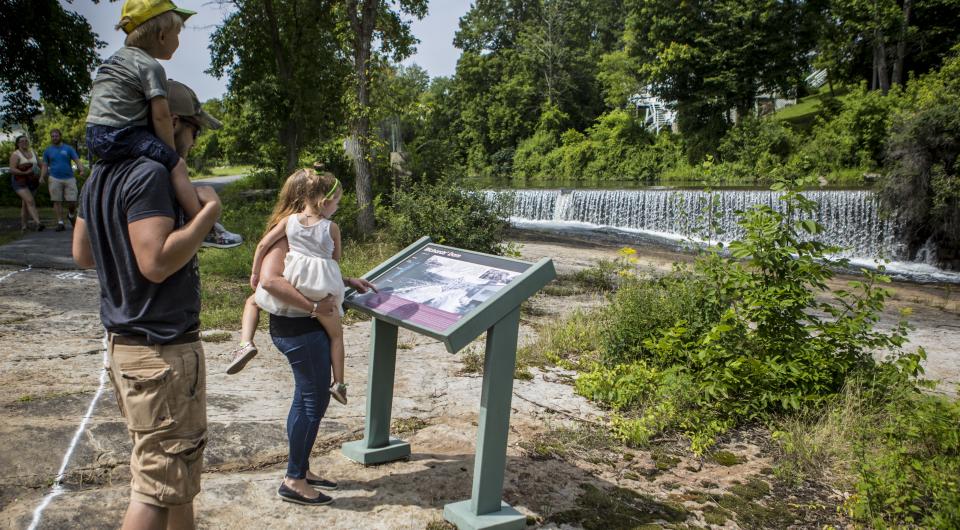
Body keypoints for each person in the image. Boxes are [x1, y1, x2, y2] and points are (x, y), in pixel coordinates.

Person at [72, 79, 221, 530]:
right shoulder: (151, 174)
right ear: (173, 123)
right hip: (162, 351)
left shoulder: (102, 172)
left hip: (126, 346)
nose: (194, 141)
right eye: (195, 128)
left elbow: (82, 253)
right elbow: (156, 262)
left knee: (175, 472)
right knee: (156, 488)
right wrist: (206, 216)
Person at [84, 0, 241, 248]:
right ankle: (206, 227)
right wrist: (169, 156)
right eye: (177, 34)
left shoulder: (112, 61)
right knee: (177, 166)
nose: (178, 41)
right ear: (161, 35)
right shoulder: (150, 66)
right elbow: (160, 115)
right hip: (123, 133)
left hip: (94, 134)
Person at [257, 225, 375, 505]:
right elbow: (271, 281)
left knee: (305, 398)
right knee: (312, 400)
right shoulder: (284, 237)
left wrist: (343, 281)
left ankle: (301, 469)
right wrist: (313, 307)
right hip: (299, 328)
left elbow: (306, 275)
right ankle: (294, 481)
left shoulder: (300, 235)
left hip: (307, 326)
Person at [226, 168, 353, 407]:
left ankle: (245, 343)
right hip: (323, 287)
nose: (337, 206)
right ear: (325, 202)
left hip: (296, 281)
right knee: (337, 336)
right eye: (337, 202)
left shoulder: (288, 222)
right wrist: (339, 282)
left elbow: (263, 244)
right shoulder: (332, 227)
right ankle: (339, 383)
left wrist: (254, 272)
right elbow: (334, 261)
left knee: (253, 301)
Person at [40, 129, 85, 231]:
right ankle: (60, 223)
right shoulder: (48, 151)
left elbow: (77, 160)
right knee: (57, 201)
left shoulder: (68, 149)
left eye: (56, 136)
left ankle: (71, 214)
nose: (54, 138)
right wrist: (42, 176)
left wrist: (81, 170)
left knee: (72, 201)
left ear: (60, 136)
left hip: (69, 177)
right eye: (52, 136)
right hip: (54, 178)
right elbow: (45, 165)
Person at [8, 135, 44, 232]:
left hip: (32, 181)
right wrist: (24, 172)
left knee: (26, 204)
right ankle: (38, 223)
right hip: (19, 181)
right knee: (30, 201)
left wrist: (42, 176)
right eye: (22, 141)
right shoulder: (15, 154)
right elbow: (12, 169)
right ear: (18, 143)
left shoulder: (33, 152)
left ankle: (24, 227)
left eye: (26, 141)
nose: (24, 143)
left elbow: (42, 165)